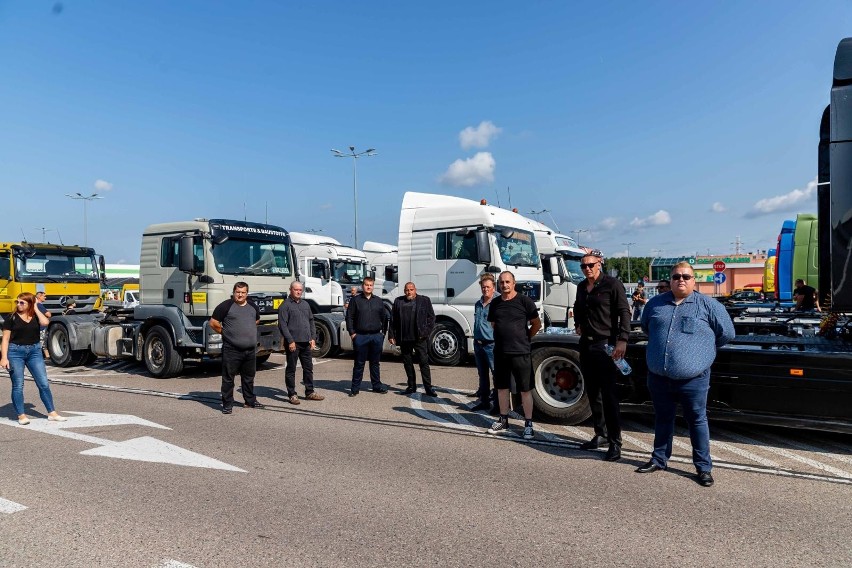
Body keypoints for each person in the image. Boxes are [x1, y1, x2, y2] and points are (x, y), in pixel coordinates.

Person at [637, 261, 735, 487]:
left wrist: (700, 353)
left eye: (686, 277)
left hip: (694, 380)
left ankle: (703, 468)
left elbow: (727, 334)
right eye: (676, 276)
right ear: (670, 280)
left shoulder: (708, 306)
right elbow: (647, 328)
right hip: (659, 378)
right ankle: (659, 459)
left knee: (697, 421)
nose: (681, 280)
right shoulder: (655, 304)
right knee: (662, 419)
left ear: (694, 280)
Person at [573, 251, 631, 462]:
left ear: (599, 264)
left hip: (606, 345)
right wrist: (578, 323)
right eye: (584, 266)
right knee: (593, 393)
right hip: (586, 345)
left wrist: (623, 339)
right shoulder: (581, 286)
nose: (587, 269)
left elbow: (624, 312)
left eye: (591, 265)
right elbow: (577, 307)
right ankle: (601, 434)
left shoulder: (612, 284)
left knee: (609, 396)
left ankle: (615, 442)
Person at [485, 271, 542, 440]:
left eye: (507, 282)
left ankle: (528, 424)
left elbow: (536, 324)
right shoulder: (495, 303)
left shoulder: (525, 301)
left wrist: (525, 338)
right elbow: (494, 324)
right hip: (501, 353)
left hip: (521, 353)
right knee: (502, 388)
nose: (504, 285)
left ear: (514, 283)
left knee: (525, 390)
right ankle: (503, 420)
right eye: (502, 282)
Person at [1, 292, 67, 425]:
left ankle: (52, 413)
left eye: (22, 302)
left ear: (30, 304)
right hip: (15, 352)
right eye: (17, 302)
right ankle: (21, 415)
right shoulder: (11, 318)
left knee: (43, 383)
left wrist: (36, 308)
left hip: (34, 352)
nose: (18, 305)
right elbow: (6, 339)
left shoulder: (36, 316)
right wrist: (4, 358)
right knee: (18, 385)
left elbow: (46, 322)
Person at [210, 282, 264, 414]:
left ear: (247, 293)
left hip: (250, 350)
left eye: (243, 292)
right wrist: (226, 333)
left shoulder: (252, 306)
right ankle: (227, 404)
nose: (240, 295)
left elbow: (256, 320)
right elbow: (213, 323)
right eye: (238, 292)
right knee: (228, 378)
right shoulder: (226, 306)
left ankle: (249, 401)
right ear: (234, 292)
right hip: (232, 349)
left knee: (249, 377)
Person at [278, 281, 324, 405]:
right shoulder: (285, 306)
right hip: (293, 343)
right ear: (290, 290)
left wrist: (312, 337)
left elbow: (311, 321)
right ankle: (292, 394)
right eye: (295, 289)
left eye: (300, 290)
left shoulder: (305, 304)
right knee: (291, 369)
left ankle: (309, 392)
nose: (298, 292)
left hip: (306, 343)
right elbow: (282, 325)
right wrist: (290, 340)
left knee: (308, 368)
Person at [389, 282, 436, 396]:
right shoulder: (398, 301)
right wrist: (391, 335)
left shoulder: (424, 300)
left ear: (415, 290)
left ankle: (428, 388)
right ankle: (411, 386)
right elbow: (393, 319)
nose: (409, 292)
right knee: (407, 363)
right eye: (406, 290)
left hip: (419, 337)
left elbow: (431, 318)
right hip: (404, 338)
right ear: (404, 291)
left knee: (423, 362)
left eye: (411, 289)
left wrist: (425, 332)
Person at [345, 276, 389, 396]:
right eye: (366, 285)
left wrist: (382, 334)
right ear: (362, 286)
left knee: (375, 363)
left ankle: (376, 385)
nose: (368, 287)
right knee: (359, 364)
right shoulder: (355, 300)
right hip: (361, 337)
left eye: (371, 285)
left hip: (376, 336)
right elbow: (349, 317)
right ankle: (355, 389)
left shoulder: (379, 301)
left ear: (373, 286)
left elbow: (384, 318)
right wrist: (352, 334)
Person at [470, 273, 497, 412]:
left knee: (496, 374)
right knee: (482, 374)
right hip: (478, 343)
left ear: (493, 287)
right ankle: (484, 401)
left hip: (491, 344)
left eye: (488, 287)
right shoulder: (478, 303)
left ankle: (498, 405)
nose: (485, 289)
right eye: (483, 287)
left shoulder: (498, 302)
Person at [35, 291, 51, 358]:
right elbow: (48, 314)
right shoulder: (39, 305)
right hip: (42, 327)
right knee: (42, 342)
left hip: (39, 326)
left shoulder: (36, 305)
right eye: (44, 296)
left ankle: (47, 356)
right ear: (39, 297)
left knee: (43, 342)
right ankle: (39, 356)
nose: (45, 297)